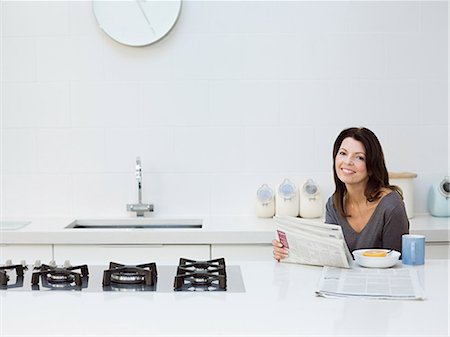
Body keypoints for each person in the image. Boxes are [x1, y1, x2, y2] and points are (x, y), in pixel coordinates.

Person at [273, 127, 409, 261]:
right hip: (345, 282)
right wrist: (287, 252)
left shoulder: (391, 206)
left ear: (372, 167)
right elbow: (330, 256)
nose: (348, 161)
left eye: (359, 157)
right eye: (343, 153)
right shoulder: (334, 205)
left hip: (380, 282)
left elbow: (397, 265)